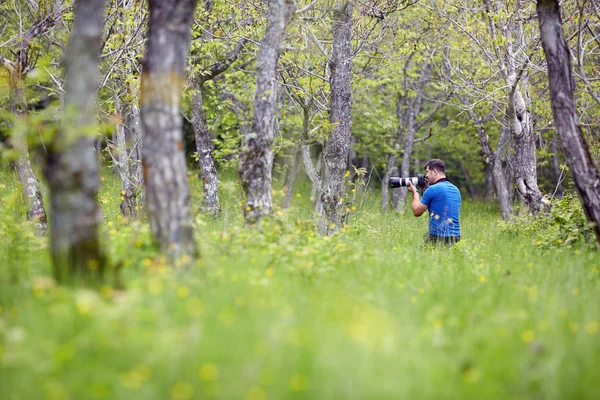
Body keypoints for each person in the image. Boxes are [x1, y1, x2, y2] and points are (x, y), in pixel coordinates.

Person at [407, 159, 461, 245]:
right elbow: (438, 201)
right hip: (456, 237)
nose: (426, 175)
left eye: (427, 172)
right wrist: (425, 189)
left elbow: (416, 212)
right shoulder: (455, 189)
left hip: (438, 237)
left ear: (434, 172)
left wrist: (415, 192)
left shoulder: (432, 189)